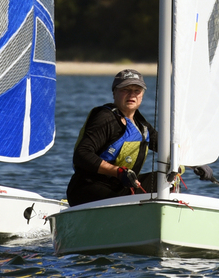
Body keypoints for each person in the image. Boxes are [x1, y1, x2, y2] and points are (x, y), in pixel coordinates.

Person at [66, 69, 157, 206]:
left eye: (137, 90)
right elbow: (81, 154)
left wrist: (197, 163)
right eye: (125, 89)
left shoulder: (142, 126)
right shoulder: (104, 118)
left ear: (142, 95)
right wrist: (118, 172)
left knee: (164, 180)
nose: (132, 94)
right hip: (87, 188)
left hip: (120, 190)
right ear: (114, 92)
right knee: (117, 200)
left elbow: (167, 147)